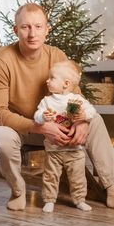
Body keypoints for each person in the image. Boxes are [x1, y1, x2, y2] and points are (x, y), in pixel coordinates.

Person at [0, 2, 114, 212]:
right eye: (26, 27)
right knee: (1, 140)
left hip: (51, 124)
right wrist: (39, 127)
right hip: (16, 127)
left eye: (38, 27)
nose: (32, 33)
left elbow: (75, 99)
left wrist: (81, 121)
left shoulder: (56, 55)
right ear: (15, 30)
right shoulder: (1, 59)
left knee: (95, 120)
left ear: (47, 29)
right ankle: (18, 190)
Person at [34, 60, 97, 213]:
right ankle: (49, 200)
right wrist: (43, 116)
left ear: (66, 83)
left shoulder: (76, 100)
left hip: (74, 150)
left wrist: (83, 115)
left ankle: (80, 200)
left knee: (78, 177)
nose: (47, 80)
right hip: (53, 150)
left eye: (52, 78)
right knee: (50, 176)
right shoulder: (47, 101)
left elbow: (92, 111)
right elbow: (36, 117)